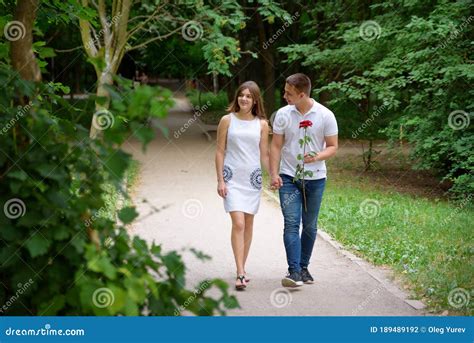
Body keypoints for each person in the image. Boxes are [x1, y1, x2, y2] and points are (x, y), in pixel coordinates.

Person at [270, 73, 338, 287]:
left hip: (316, 179)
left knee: (309, 225)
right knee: (291, 223)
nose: (284, 96)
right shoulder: (282, 114)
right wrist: (274, 173)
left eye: (289, 93)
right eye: (284, 92)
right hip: (289, 177)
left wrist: (317, 157)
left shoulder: (325, 115)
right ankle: (294, 272)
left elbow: (333, 146)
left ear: (301, 94)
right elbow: (275, 145)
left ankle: (304, 267)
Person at [215, 81, 269, 290]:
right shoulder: (227, 121)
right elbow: (220, 151)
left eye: (249, 96)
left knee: (248, 224)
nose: (244, 99)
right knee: (238, 223)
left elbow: (264, 154)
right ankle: (239, 272)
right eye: (241, 95)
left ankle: (242, 268)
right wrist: (220, 180)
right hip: (232, 178)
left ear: (255, 100)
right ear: (237, 97)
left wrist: (274, 174)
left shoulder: (262, 124)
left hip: (252, 179)